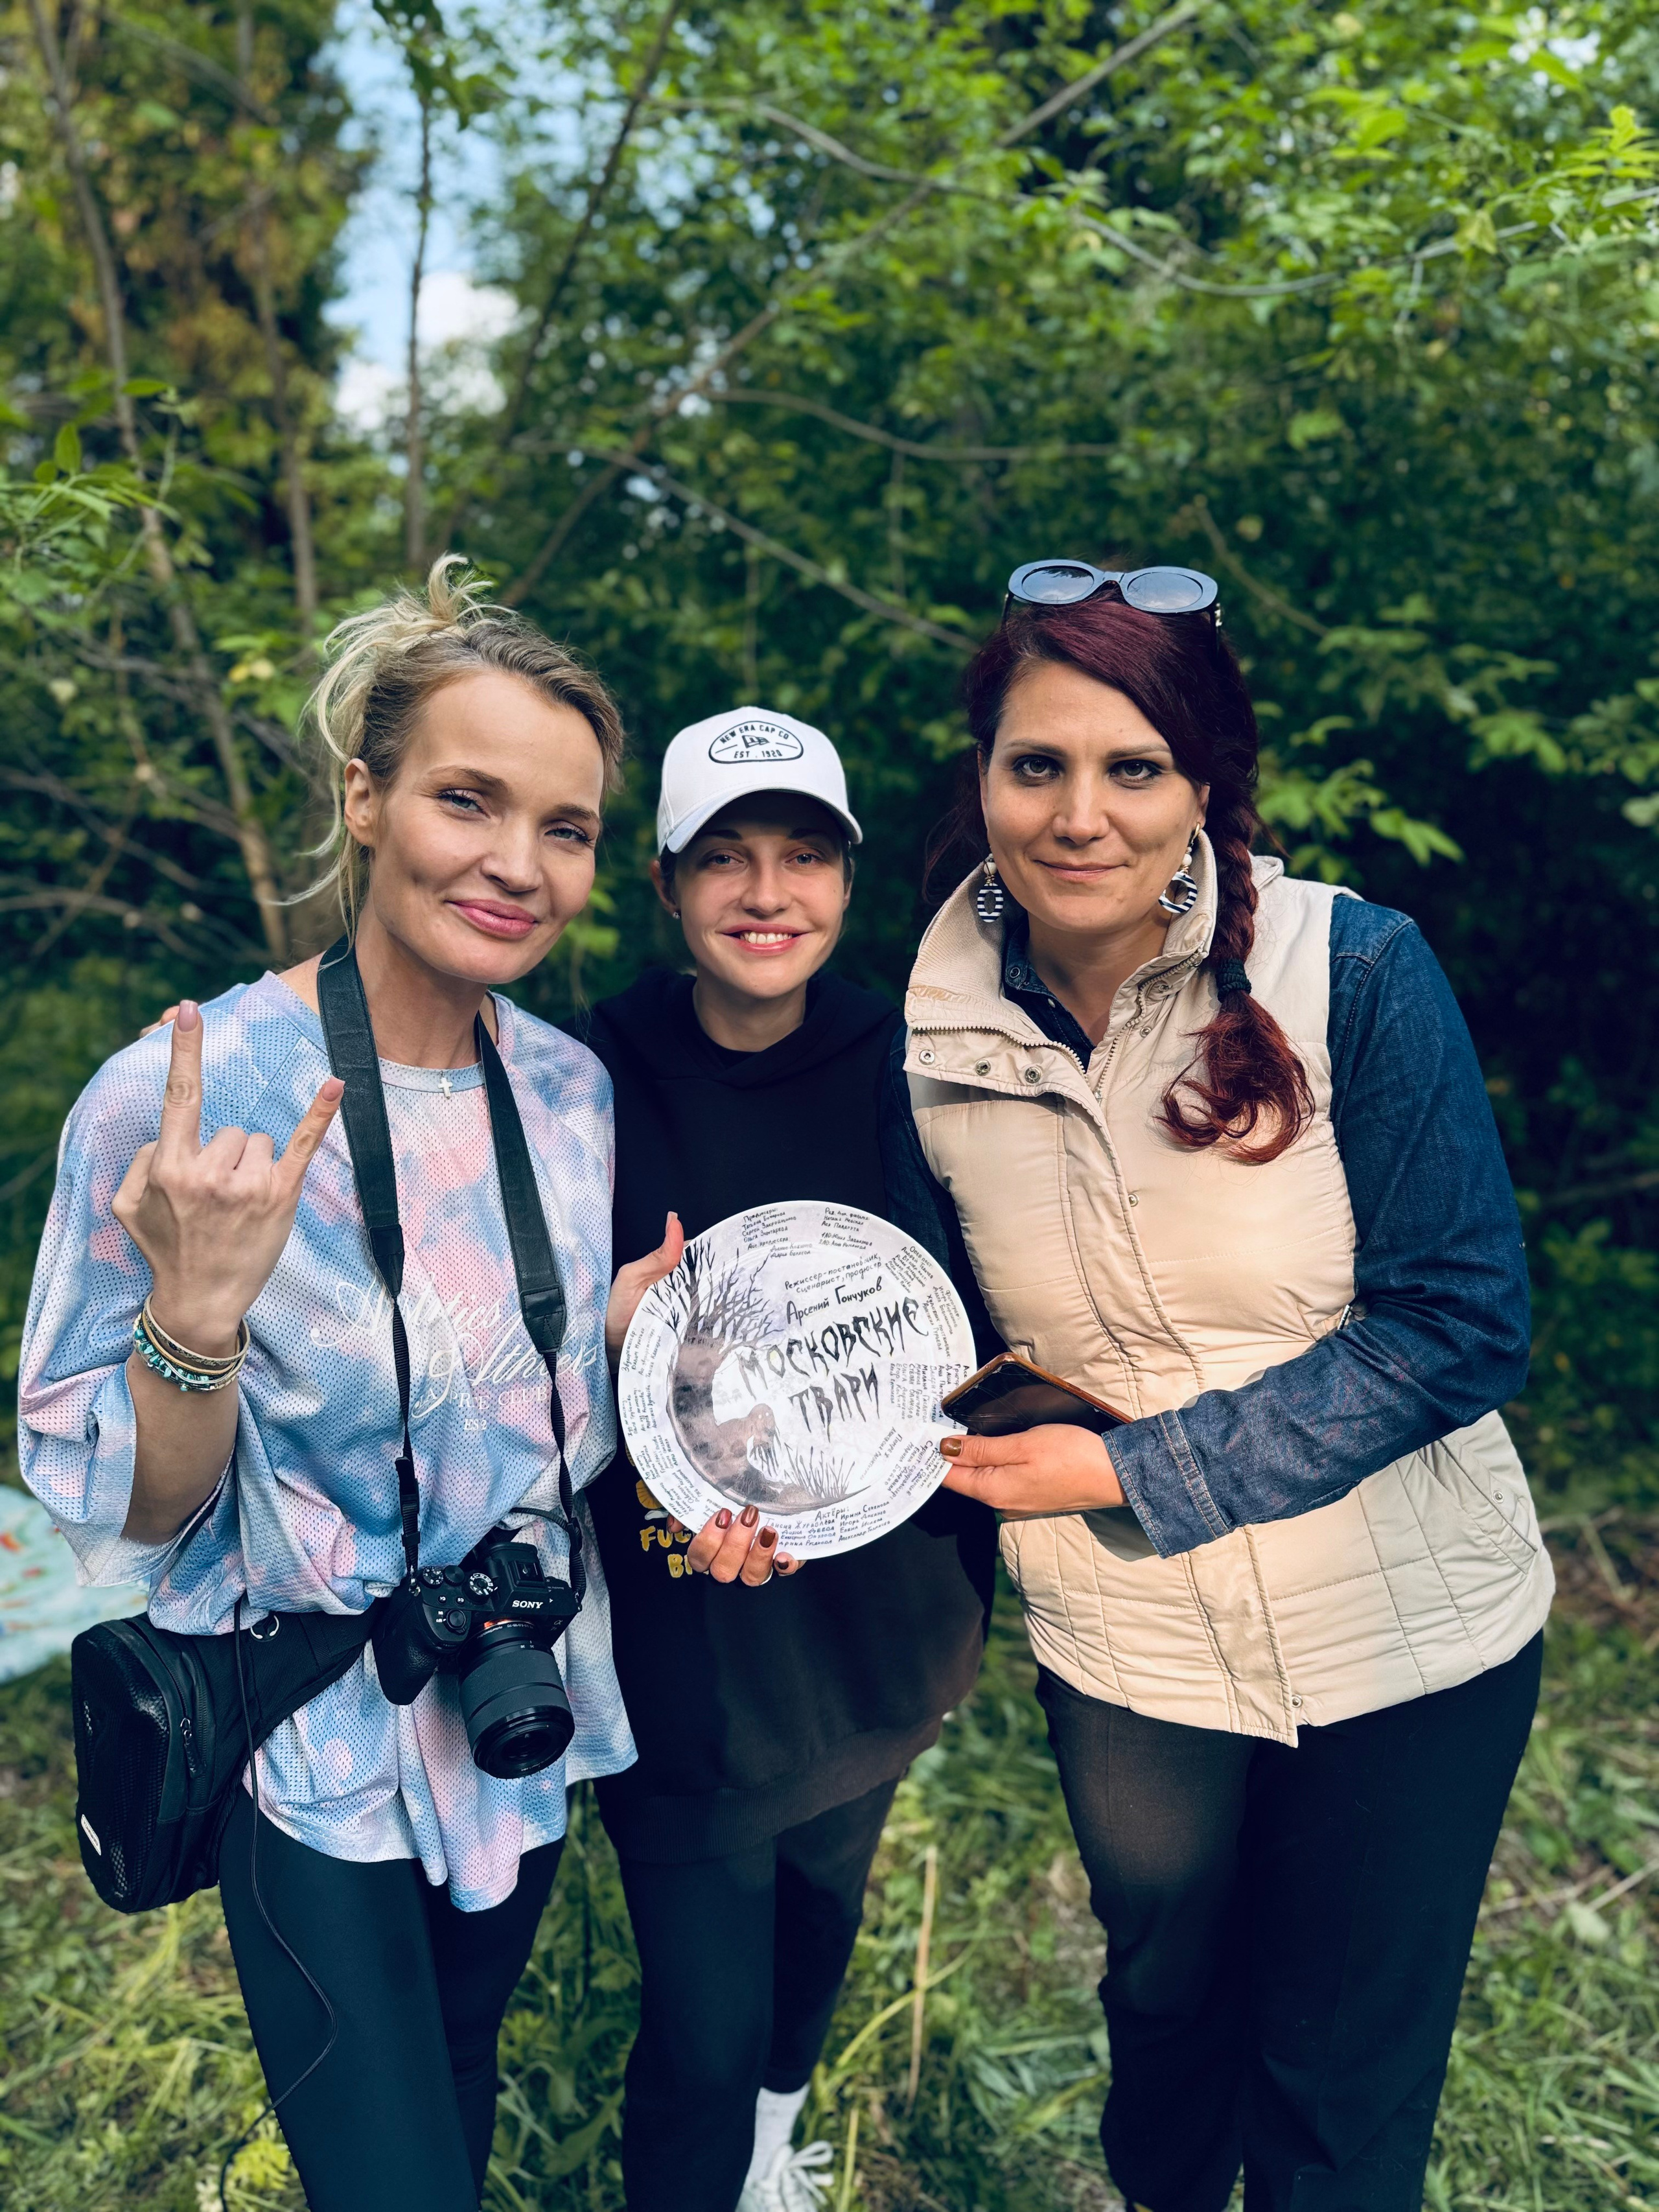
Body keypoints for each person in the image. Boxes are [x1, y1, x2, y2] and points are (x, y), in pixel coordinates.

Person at [902, 560, 1553, 2212]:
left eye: (1134, 768)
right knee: (1170, 2032)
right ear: (979, 774)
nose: (1078, 815)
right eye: (1035, 764)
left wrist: (1137, 1474)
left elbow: (1457, 1320)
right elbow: (888, 1344)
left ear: (1204, 784)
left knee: (1339, 2096)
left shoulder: (1354, 965)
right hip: (1129, 1654)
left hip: (1412, 1636)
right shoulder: (912, 1044)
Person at [18, 561, 633, 2212]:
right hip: (315, 1744)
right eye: (467, 799)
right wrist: (195, 1321)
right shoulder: (188, 1092)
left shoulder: (571, 1097)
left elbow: (532, 1417)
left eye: (564, 827)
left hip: (512, 1710)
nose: (515, 864)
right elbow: (132, 1506)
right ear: (365, 801)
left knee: (459, 2083)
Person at [585, 706, 998, 2212]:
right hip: (680, 1610)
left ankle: (771, 2142)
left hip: (873, 1601)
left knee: (822, 1901)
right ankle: (707, 2151)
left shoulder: (914, 1065)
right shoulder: (585, 1075)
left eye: (803, 856)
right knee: (696, 2025)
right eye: (725, 859)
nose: (767, 892)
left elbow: (979, 1314)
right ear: (664, 883)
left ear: (846, 877)